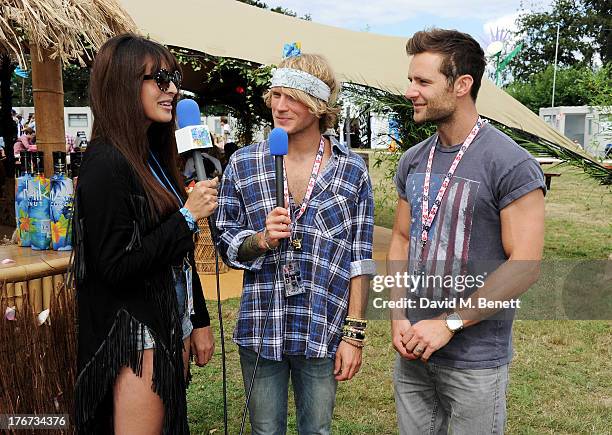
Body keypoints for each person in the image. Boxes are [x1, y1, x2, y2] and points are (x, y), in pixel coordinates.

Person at [388, 29, 546, 435]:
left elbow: (526, 265)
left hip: (474, 359)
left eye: (423, 82)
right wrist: (397, 315)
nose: (410, 91)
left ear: (462, 85)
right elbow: (403, 239)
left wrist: (448, 324)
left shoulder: (510, 163)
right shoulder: (412, 160)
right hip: (412, 350)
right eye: (411, 80)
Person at [216, 51, 375, 434]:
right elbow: (225, 239)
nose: (279, 106)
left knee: (316, 431)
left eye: (293, 97)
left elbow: (360, 258)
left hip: (323, 325)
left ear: (319, 105)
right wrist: (260, 239)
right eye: (275, 95)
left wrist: (353, 335)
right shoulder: (244, 162)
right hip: (261, 327)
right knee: (265, 430)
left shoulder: (351, 170)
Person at [72, 34, 217, 434]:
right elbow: (114, 266)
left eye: (173, 77)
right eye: (159, 78)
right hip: (134, 338)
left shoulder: (151, 155)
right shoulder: (105, 162)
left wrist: (197, 319)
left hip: (167, 323)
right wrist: (186, 217)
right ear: (122, 84)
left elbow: (178, 255)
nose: (172, 89)